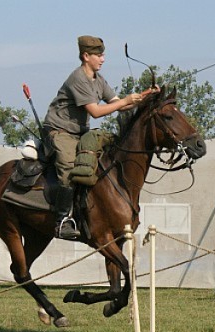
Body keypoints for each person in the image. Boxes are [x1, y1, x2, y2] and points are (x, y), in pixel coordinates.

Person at [43, 35, 149, 240]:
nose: (103, 59)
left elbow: (120, 104)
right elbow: (96, 112)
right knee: (68, 167)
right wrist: (126, 100)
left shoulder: (99, 80)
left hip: (79, 133)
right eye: (98, 55)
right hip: (59, 131)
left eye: (103, 55)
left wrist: (143, 97)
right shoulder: (78, 79)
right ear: (86, 56)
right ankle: (62, 220)